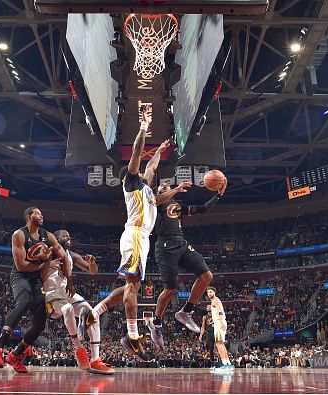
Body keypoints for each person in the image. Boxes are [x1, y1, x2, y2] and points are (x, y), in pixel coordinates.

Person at [91, 105, 164, 362]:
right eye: (140, 170)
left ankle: (96, 311)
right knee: (133, 285)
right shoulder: (131, 183)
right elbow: (136, 154)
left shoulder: (147, 189)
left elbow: (152, 167)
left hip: (141, 238)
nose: (146, 173)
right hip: (135, 234)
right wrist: (143, 127)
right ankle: (132, 337)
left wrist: (161, 150)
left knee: (129, 285)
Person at [0, 207, 73, 373]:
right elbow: (21, 266)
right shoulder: (19, 235)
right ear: (29, 216)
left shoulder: (48, 236)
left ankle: (15, 355)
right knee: (24, 301)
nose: (42, 215)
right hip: (20, 276)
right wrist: (45, 263)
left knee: (40, 324)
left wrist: (69, 281)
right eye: (38, 213)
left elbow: (64, 256)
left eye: (42, 213)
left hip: (36, 280)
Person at [146, 177, 227, 348]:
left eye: (168, 185)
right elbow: (157, 199)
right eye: (162, 186)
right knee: (170, 290)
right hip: (165, 246)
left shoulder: (178, 206)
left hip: (181, 243)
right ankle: (157, 323)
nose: (165, 185)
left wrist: (218, 195)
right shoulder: (154, 202)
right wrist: (175, 190)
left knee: (206, 276)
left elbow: (202, 209)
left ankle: (185, 311)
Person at [43, 229, 114, 374]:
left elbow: (93, 271)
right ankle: (78, 349)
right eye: (64, 235)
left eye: (69, 235)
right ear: (55, 239)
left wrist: (92, 263)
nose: (68, 237)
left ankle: (95, 359)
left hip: (67, 293)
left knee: (92, 313)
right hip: (51, 293)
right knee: (67, 308)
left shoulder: (72, 256)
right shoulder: (48, 252)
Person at [207, 287, 233, 372]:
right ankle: (228, 363)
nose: (209, 294)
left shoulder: (215, 300)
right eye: (208, 293)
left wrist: (221, 321)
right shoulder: (215, 301)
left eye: (211, 292)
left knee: (218, 344)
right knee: (221, 343)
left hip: (219, 323)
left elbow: (220, 311)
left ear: (214, 292)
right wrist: (213, 319)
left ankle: (225, 364)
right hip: (218, 322)